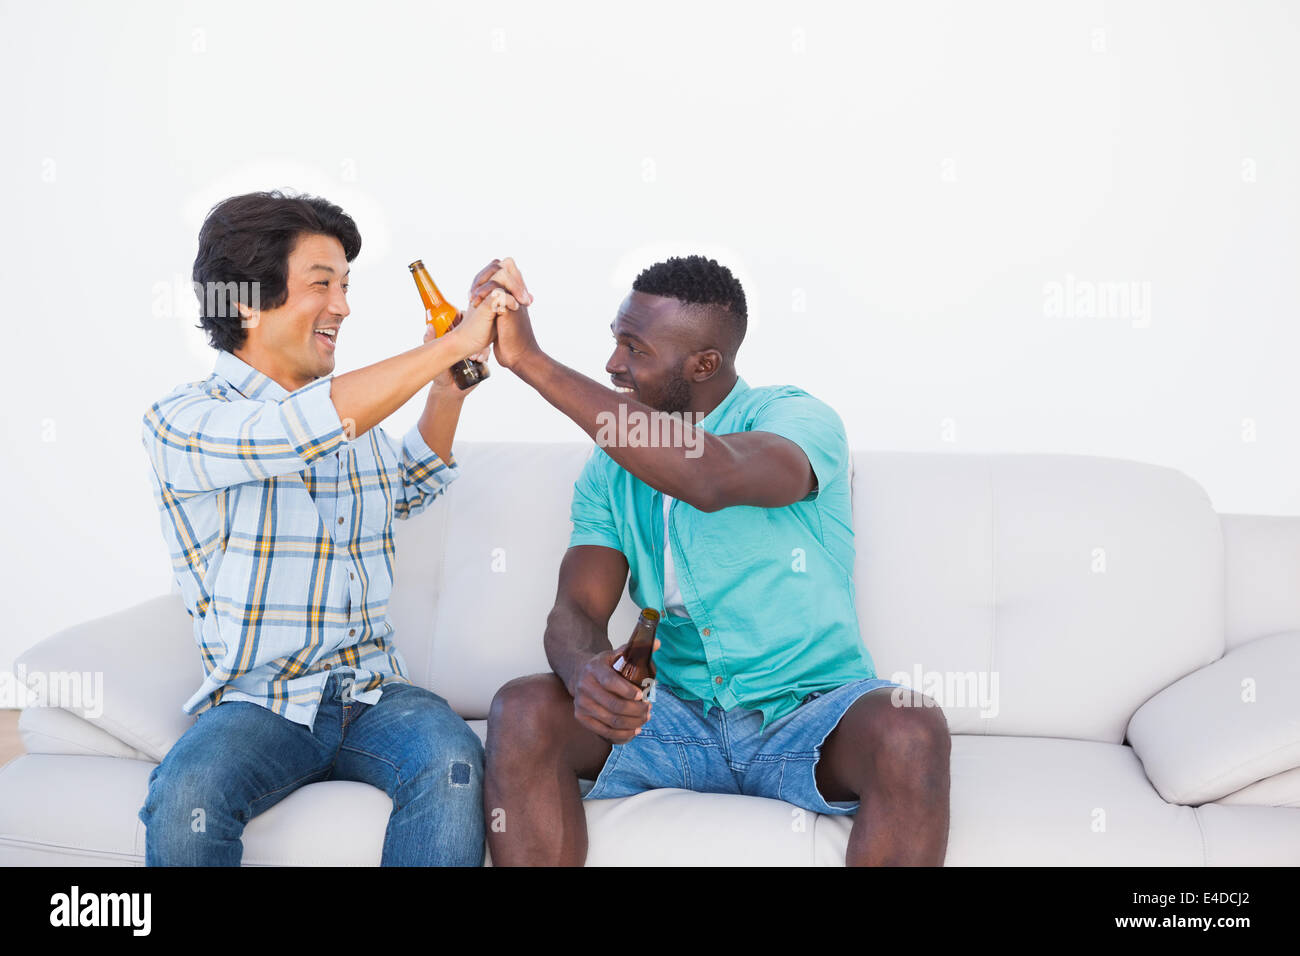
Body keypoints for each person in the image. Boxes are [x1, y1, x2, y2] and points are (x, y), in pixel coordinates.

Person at [481, 255, 951, 865]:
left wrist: (531, 362)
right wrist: (583, 672)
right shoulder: (607, 472)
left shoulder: (796, 418)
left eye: (635, 349)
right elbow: (576, 607)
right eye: (616, 341)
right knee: (523, 707)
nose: (613, 364)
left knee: (909, 728)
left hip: (808, 714)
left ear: (705, 364)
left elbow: (711, 476)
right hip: (674, 717)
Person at [137, 190, 529, 866]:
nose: (344, 306)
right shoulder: (186, 420)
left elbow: (407, 488)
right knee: (185, 793)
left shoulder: (351, 416)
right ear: (245, 302)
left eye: (346, 286)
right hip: (261, 702)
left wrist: (443, 391)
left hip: (373, 694)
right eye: (322, 285)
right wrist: (450, 347)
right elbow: (293, 433)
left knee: (454, 764)